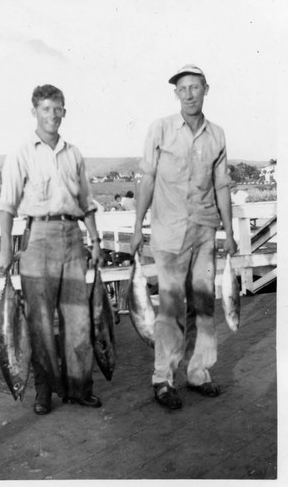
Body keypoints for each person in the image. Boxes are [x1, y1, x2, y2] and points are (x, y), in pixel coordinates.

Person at [130, 65, 237, 410]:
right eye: (183, 88)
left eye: (195, 87)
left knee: (204, 307)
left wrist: (230, 232)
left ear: (207, 89)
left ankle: (198, 373)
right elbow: (146, 180)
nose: (189, 94)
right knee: (171, 310)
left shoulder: (217, 135)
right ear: (176, 93)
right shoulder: (160, 129)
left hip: (205, 231)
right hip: (169, 234)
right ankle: (163, 379)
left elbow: (222, 186)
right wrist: (136, 228)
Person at [0, 84, 103, 415]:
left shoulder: (74, 153)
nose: (52, 116)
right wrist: (3, 247)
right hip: (37, 238)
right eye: (45, 109)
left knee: (77, 318)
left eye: (57, 109)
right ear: (35, 112)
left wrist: (96, 240)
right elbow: (7, 205)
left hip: (72, 238)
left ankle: (79, 387)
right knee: (39, 321)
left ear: (64, 112)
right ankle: (44, 392)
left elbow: (86, 202)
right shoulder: (21, 153)